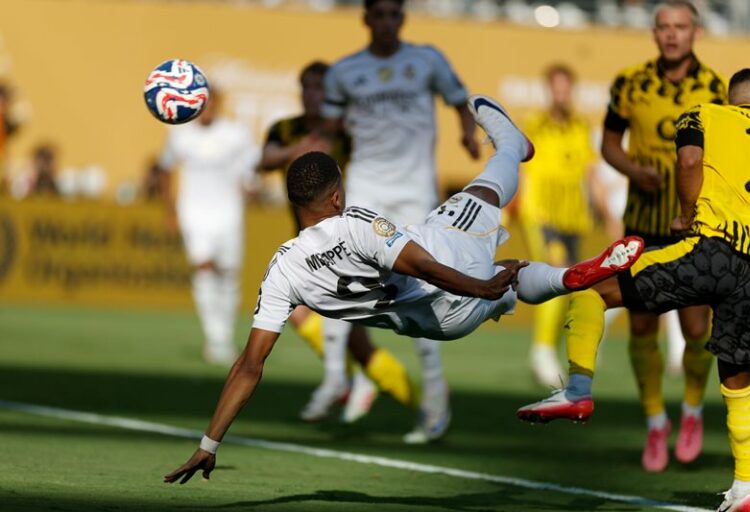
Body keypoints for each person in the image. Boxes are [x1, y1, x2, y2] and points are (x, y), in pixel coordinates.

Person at [164, 95, 644, 486]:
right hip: (453, 268)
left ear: (294, 203)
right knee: (484, 193)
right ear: (336, 196)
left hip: (442, 325)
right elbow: (425, 265)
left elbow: (250, 366)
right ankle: (515, 158)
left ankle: (554, 278)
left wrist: (209, 445)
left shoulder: (282, 270)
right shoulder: (354, 223)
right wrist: (479, 285)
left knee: (513, 278)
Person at [518, 69, 750, 512]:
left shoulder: (707, 114)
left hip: (712, 248)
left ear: (732, 98)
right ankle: (745, 489)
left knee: (594, 287)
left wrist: (685, 214)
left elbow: (689, 162)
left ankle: (577, 388)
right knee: (737, 382)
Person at [321, 0, 480, 444]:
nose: (388, 22)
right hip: (367, 188)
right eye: (380, 14)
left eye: (395, 13)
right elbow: (330, 131)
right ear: (367, 18)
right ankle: (338, 378)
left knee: (425, 292)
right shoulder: (344, 72)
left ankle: (433, 401)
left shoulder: (426, 60)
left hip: (414, 193)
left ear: (402, 19)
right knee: (343, 278)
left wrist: (468, 132)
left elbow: (458, 100)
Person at [598, 0, 727, 472]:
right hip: (641, 224)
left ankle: (692, 411)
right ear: (653, 33)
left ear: (695, 32)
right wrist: (633, 168)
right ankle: (656, 421)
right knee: (642, 326)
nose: (672, 35)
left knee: (697, 329)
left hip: (693, 224)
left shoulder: (714, 89)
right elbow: (609, 143)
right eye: (664, 27)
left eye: (681, 26)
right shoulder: (630, 82)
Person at [260, 60, 416, 424]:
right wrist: (294, 151)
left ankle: (347, 382)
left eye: (320, 88)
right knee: (344, 335)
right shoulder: (285, 129)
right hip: (309, 239)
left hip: (350, 241)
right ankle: (374, 386)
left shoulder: (347, 130)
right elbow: (264, 160)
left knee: (317, 316)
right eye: (307, 87)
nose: (313, 95)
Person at [519, 64, 609, 387]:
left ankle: (550, 350)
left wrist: (607, 212)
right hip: (542, 215)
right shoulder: (535, 124)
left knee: (570, 284)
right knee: (556, 271)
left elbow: (591, 172)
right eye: (555, 87)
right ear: (548, 89)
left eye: (566, 88)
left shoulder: (581, 126)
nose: (561, 94)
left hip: (574, 217)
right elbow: (521, 167)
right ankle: (542, 352)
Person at [158, 88, 260, 364]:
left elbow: (253, 167)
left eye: (211, 101)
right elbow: (165, 168)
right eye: (201, 102)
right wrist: (170, 210)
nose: (207, 107)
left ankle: (225, 336)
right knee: (203, 268)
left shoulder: (236, 134)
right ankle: (215, 339)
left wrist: (250, 186)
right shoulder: (180, 134)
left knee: (227, 274)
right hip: (194, 213)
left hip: (228, 213)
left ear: (218, 103)